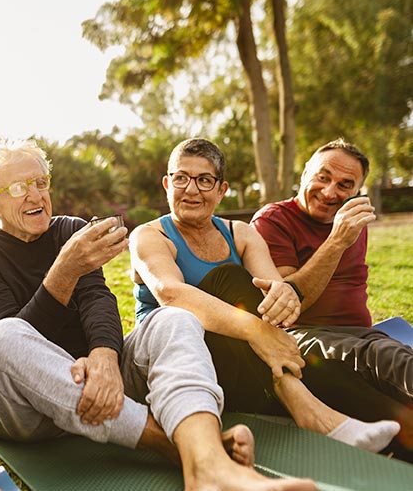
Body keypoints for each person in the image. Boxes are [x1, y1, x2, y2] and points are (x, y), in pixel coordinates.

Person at [0, 138, 317, 491]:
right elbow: (15, 356)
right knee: (4, 336)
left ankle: (209, 467)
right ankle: (173, 446)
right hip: (22, 413)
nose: (36, 195)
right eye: (19, 187)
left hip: (103, 388)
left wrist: (104, 355)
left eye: (40, 182)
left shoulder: (70, 230)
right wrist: (63, 272)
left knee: (175, 318)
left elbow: (98, 298)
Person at [130, 138, 409, 459]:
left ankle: (400, 439)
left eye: (204, 180)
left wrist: (278, 304)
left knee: (330, 369)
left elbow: (278, 303)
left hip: (240, 369)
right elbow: (171, 294)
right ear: (167, 184)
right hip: (176, 367)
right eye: (181, 178)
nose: (191, 190)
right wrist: (257, 330)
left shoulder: (241, 234)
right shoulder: (150, 235)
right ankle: (306, 408)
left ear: (221, 190)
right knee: (231, 279)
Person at [251, 140, 413, 415]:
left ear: (357, 191)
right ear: (304, 175)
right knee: (386, 357)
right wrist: (336, 241)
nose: (329, 193)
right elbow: (288, 307)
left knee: (395, 354)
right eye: (322, 178)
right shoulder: (272, 220)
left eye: (344, 185)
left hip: (365, 335)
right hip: (300, 336)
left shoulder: (352, 221)